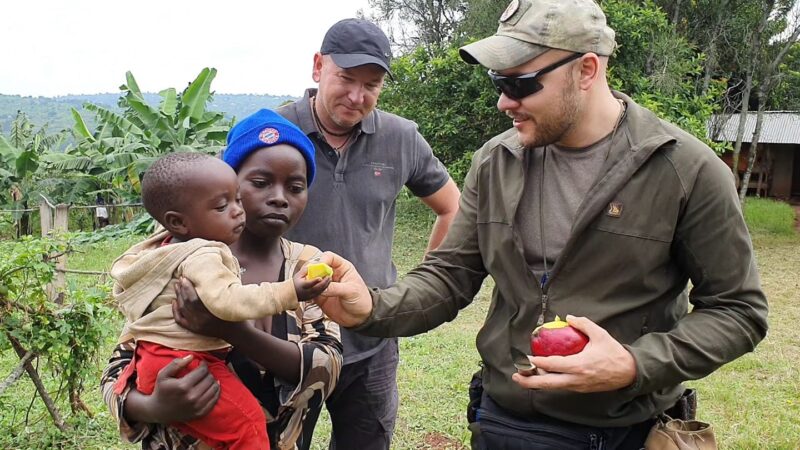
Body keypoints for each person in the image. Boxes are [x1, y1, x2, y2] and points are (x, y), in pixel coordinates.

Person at [313, 1, 769, 448]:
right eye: (499, 82)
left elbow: (738, 310)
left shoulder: (685, 169)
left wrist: (634, 364)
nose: (503, 101)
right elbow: (450, 276)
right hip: (502, 422)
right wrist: (371, 308)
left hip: (622, 431)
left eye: (522, 83)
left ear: (587, 70)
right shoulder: (496, 160)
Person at [101, 110, 343, 450]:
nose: (278, 196)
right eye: (259, 183)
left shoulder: (306, 267)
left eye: (296, 186)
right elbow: (123, 361)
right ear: (227, 185)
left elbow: (327, 366)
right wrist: (152, 406)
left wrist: (230, 330)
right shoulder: (173, 261)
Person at [276, 18, 461, 450]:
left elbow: (452, 207)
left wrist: (419, 285)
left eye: (372, 84)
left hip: (371, 338)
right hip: (283, 340)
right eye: (346, 78)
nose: (357, 96)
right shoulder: (272, 131)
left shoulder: (401, 137)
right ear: (319, 66)